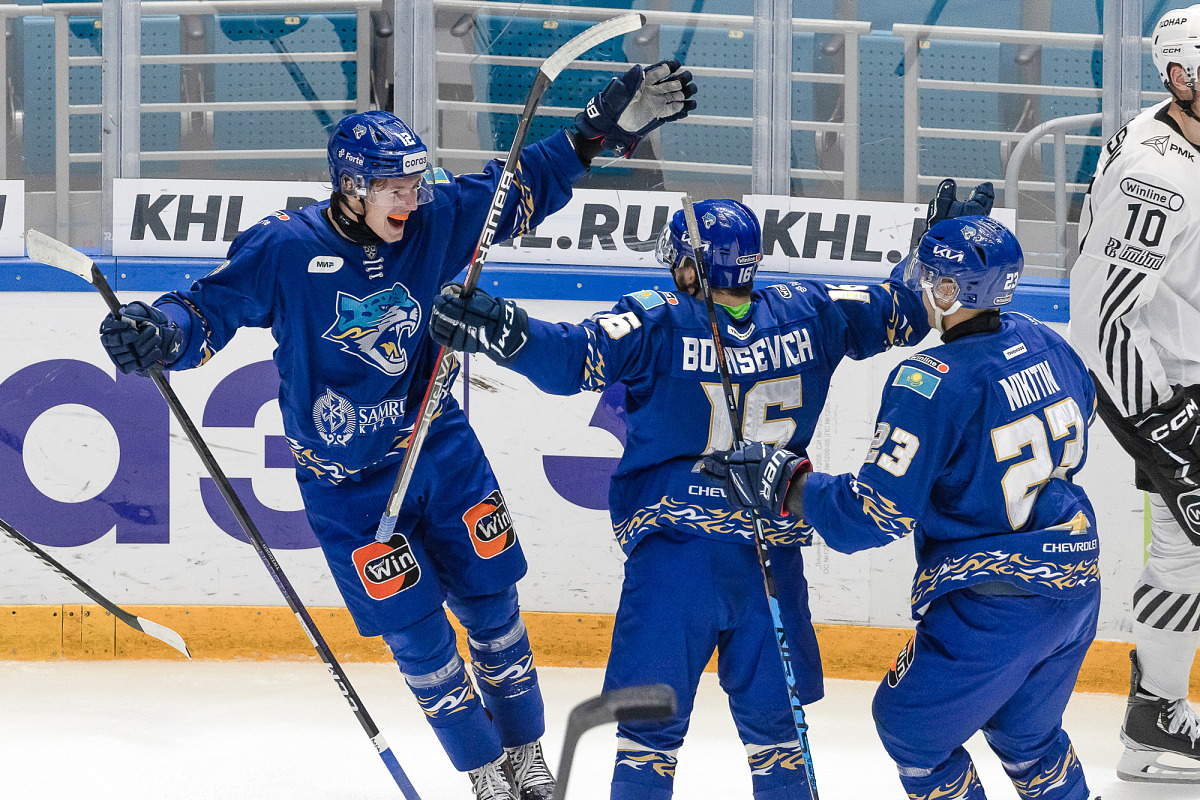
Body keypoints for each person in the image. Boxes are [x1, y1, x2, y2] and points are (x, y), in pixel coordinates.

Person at [95, 60, 696, 800]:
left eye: (415, 184)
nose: (411, 199)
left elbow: (521, 188)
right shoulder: (284, 248)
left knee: (494, 609)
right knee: (419, 639)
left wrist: (596, 132)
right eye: (394, 188)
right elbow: (204, 311)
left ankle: (524, 754)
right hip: (347, 486)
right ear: (352, 187)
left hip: (438, 447)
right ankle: (483, 769)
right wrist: (158, 332)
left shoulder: (435, 219)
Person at [428, 195, 936, 800]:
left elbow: (571, 359)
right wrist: (929, 255)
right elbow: (904, 309)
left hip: (674, 564)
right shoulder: (810, 308)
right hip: (770, 563)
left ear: (693, 268)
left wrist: (502, 329)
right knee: (779, 741)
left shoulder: (656, 320)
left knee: (647, 741)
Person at [706, 216, 1101, 800]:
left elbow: (871, 515)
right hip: (1077, 586)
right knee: (1028, 738)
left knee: (909, 728)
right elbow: (1083, 409)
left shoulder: (930, 380)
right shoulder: (1044, 337)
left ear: (953, 291)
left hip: (996, 603)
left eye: (932, 276)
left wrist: (787, 484)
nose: (920, 284)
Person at [1069, 4, 1200, 783]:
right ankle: (1155, 716)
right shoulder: (1157, 178)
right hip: (1170, 388)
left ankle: (1155, 719)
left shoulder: (1183, 134)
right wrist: (1167, 425)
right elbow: (1101, 317)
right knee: (1184, 551)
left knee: (1185, 554)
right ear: (1180, 76)